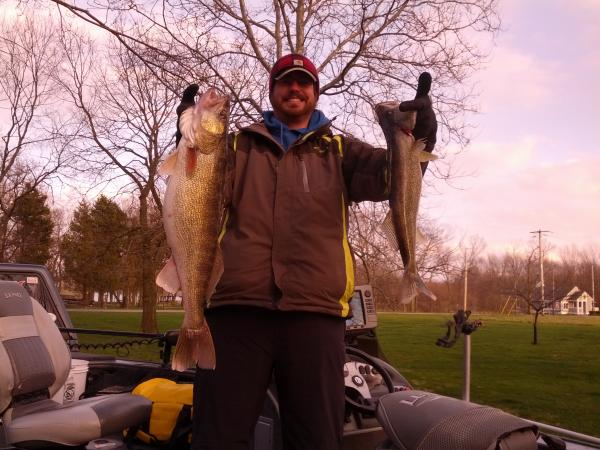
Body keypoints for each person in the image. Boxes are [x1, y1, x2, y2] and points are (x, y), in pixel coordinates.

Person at [176, 53, 389, 450]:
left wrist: (412, 135)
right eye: (286, 81)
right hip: (236, 310)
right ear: (273, 91)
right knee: (217, 438)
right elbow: (196, 193)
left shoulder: (340, 150)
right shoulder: (236, 145)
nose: (295, 89)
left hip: (315, 316)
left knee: (315, 440)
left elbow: (390, 178)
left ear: (315, 92)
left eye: (303, 82)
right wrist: (188, 139)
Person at [398, 72, 438, 175]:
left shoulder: (423, 102)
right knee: (414, 176)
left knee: (409, 176)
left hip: (422, 148)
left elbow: (403, 106)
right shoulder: (428, 108)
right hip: (425, 146)